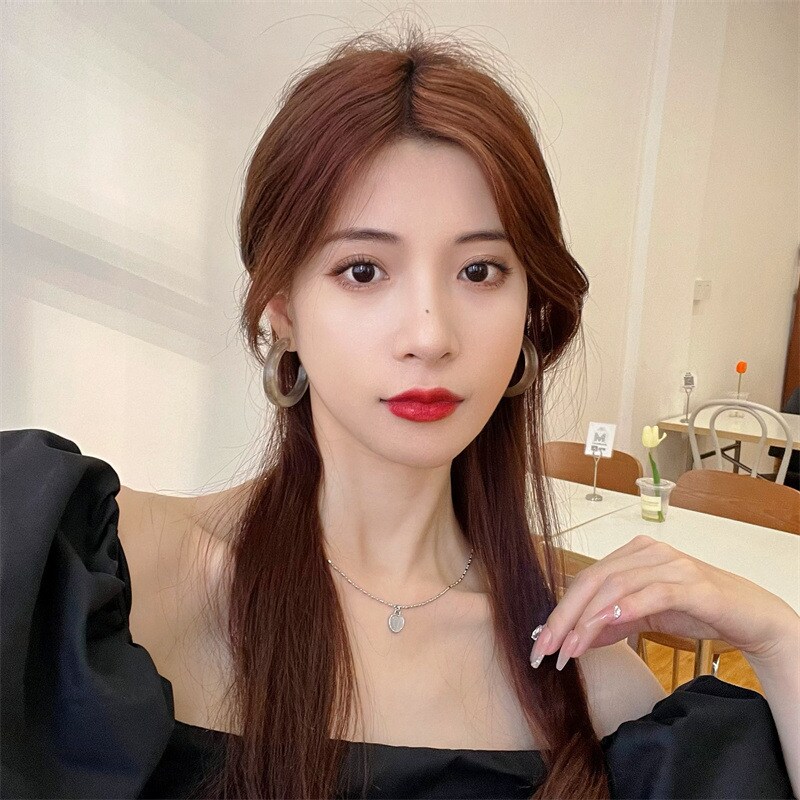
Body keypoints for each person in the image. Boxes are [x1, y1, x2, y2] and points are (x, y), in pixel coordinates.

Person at [1, 25, 797, 800]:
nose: (429, 335)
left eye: (480, 270)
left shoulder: (587, 680)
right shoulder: (95, 576)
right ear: (281, 308)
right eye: (362, 269)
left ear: (530, 309)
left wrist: (779, 635)